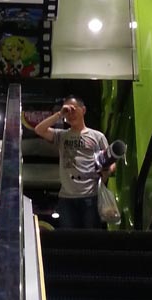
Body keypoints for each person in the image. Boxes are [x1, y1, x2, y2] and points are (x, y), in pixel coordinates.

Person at [34, 96, 113, 229]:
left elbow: (110, 160)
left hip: (91, 195)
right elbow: (39, 129)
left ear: (83, 110)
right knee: (69, 236)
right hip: (67, 197)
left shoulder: (97, 136)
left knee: (91, 235)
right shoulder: (62, 135)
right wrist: (60, 114)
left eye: (73, 109)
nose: (70, 114)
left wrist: (106, 172)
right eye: (67, 111)